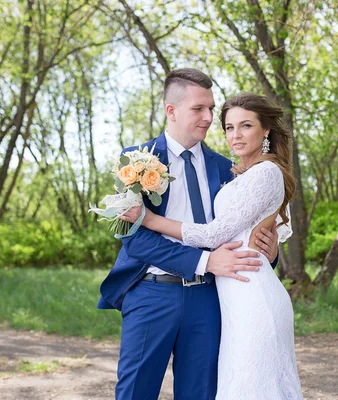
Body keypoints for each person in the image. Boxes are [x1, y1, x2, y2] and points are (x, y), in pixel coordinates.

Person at [97, 68, 280, 400]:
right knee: (135, 392)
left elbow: (241, 228)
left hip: (209, 299)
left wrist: (269, 248)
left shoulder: (228, 167)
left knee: (202, 393)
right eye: (199, 109)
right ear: (172, 110)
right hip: (151, 294)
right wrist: (205, 261)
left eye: (211, 108)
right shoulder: (134, 162)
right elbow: (134, 238)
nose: (209, 117)